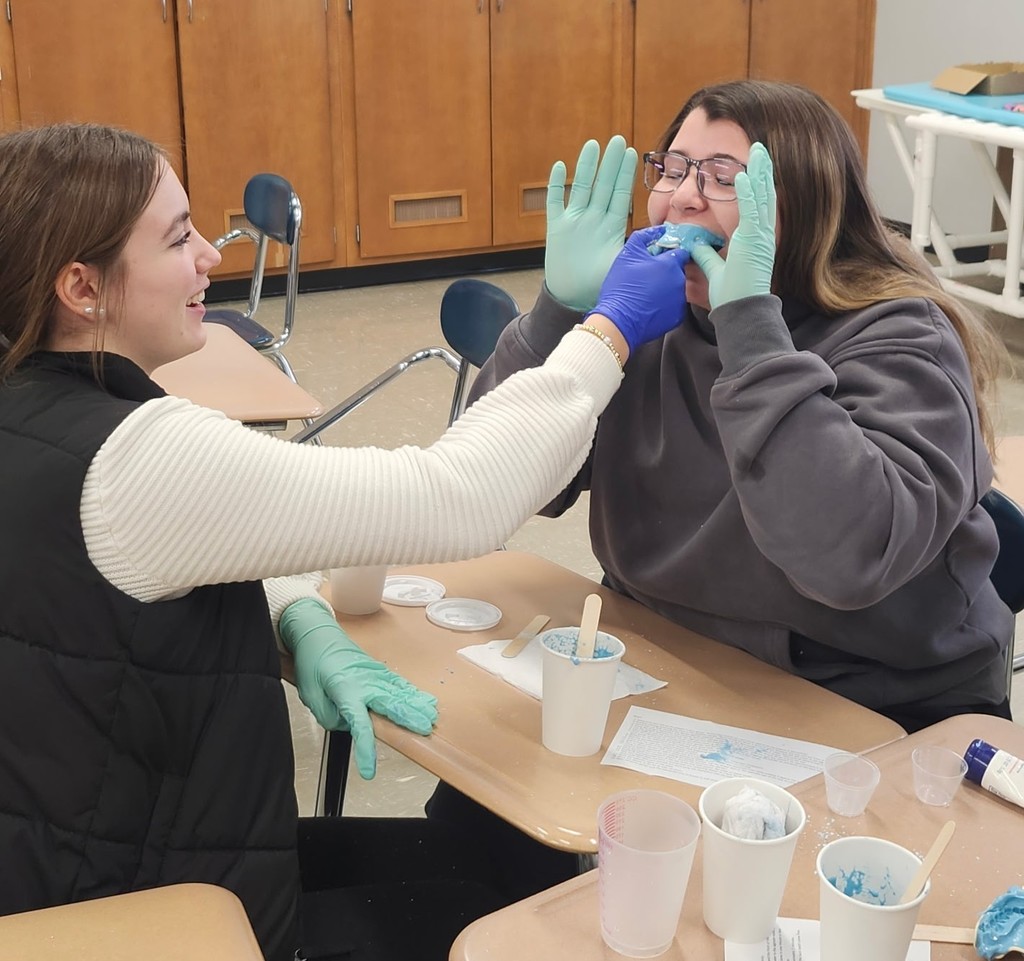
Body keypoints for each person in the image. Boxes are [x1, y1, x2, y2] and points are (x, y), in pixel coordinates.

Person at [0, 123, 691, 961]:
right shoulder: (133, 456)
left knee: (495, 869)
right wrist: (607, 331)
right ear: (82, 286)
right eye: (179, 239)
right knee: (511, 920)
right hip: (149, 909)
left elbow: (181, 536)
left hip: (81, 858)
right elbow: (460, 495)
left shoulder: (34, 408)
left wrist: (294, 610)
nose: (210, 260)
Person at [469, 79, 1014, 736]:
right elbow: (491, 484)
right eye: (672, 169)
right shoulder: (648, 318)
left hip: (870, 693)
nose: (684, 195)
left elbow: (846, 556)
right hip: (666, 651)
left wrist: (750, 331)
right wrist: (566, 313)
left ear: (804, 208)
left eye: (723, 177)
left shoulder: (901, 338)